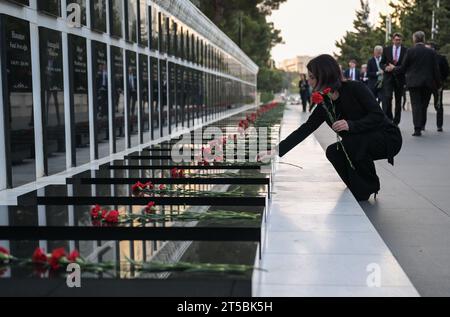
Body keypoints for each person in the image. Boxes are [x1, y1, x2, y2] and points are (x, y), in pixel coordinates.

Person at [258, 55, 402, 201]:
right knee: (334, 151)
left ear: (324, 75)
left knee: (352, 142)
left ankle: (369, 186)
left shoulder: (355, 88)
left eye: (312, 77)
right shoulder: (325, 104)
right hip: (360, 140)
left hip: (386, 137)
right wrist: (275, 151)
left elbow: (378, 115)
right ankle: (357, 186)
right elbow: (306, 129)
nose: (309, 81)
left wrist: (351, 125)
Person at [387, 31, 441, 136]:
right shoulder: (431, 52)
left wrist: (394, 68)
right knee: (423, 105)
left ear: (414, 39)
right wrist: (438, 84)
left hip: (414, 83)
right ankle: (421, 124)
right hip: (427, 83)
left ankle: (417, 128)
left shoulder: (410, 51)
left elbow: (403, 67)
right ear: (423, 39)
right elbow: (436, 70)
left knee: (416, 105)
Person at [381, 33, 408, 125]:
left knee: (398, 100)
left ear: (401, 40)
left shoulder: (405, 50)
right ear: (393, 40)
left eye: (399, 40)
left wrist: (395, 68)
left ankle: (396, 121)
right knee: (388, 98)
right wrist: (385, 68)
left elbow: (405, 65)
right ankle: (389, 118)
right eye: (396, 40)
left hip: (400, 78)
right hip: (388, 78)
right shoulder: (386, 50)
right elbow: (381, 63)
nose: (397, 41)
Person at [426, 42, 449, 132]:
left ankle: (439, 125)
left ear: (433, 49)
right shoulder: (425, 59)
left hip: (437, 85)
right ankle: (422, 124)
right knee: (424, 105)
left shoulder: (441, 58)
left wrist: (441, 81)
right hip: (426, 85)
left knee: (438, 105)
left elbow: (446, 71)